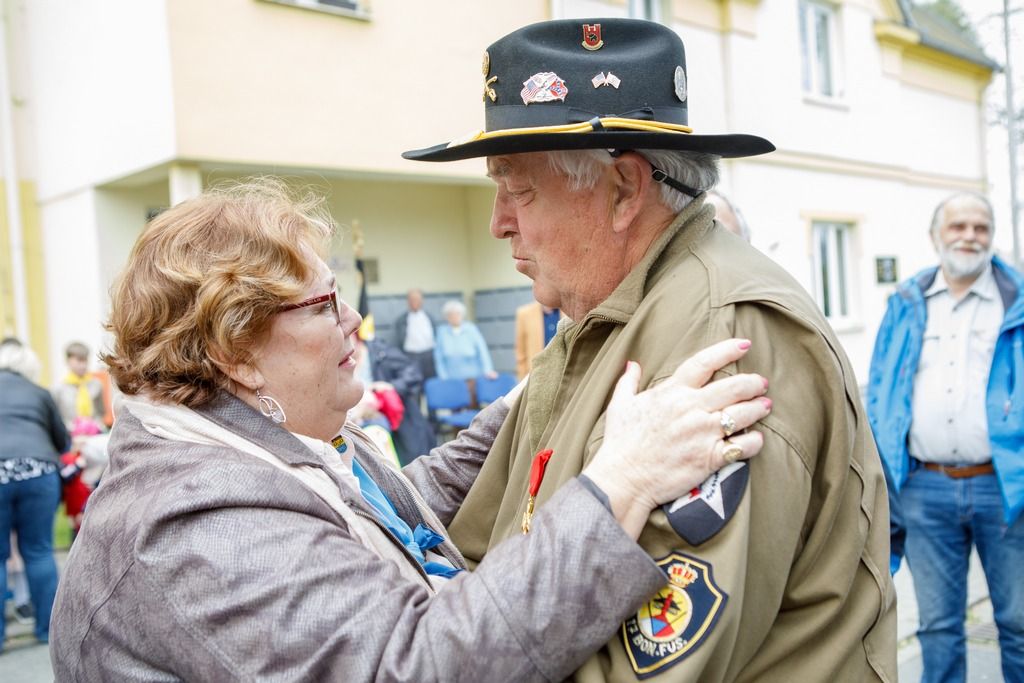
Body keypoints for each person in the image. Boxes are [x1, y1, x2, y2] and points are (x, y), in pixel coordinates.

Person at [49, 179, 772, 680]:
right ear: (236, 352)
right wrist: (624, 480)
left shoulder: (265, 444)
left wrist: (552, 382)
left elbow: (401, 506)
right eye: (324, 303)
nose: (352, 321)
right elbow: (418, 665)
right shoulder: (191, 528)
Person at [403, 17, 896, 681]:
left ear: (623, 190)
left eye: (518, 188)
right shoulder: (604, 318)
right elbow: (478, 540)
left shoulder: (724, 338)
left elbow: (653, 665)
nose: (498, 223)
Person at [867, 192, 1024, 683]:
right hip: (924, 489)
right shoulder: (907, 302)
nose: (969, 236)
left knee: (1018, 623)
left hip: (1005, 489)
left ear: (992, 235)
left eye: (981, 227)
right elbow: (882, 390)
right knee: (937, 626)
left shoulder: (1015, 301)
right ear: (936, 236)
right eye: (958, 226)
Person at [0, 337, 70, 648]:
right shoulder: (40, 393)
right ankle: (46, 631)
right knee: (39, 551)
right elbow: (63, 442)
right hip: (39, 472)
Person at [433, 299, 497, 391]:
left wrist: (488, 370)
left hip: (472, 379)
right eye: (451, 314)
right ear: (446, 317)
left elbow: (482, 351)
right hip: (451, 381)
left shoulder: (471, 329)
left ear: (462, 315)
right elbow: (438, 358)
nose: (454, 317)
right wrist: (443, 377)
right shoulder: (442, 332)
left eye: (457, 314)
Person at [51, 341, 113, 431]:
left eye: (85, 360)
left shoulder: (96, 384)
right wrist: (73, 427)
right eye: (79, 360)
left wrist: (95, 425)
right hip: (69, 436)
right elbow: (56, 417)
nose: (83, 365)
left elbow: (101, 412)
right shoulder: (58, 388)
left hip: (93, 435)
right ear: (68, 361)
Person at [392, 288, 437, 381]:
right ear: (408, 301)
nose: (414, 302)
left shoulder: (429, 317)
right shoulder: (401, 320)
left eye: (417, 299)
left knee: (430, 383)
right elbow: (399, 341)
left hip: (429, 356)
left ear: (422, 300)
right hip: (410, 356)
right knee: (413, 385)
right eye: (412, 299)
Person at [514, 300, 560, 379]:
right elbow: (521, 353)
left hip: (563, 376)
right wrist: (523, 382)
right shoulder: (525, 313)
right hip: (536, 377)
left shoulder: (568, 312)